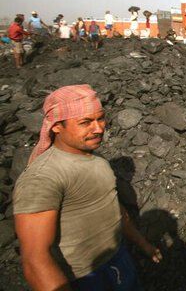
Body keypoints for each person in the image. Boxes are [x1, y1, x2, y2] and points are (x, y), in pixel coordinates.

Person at [12, 85, 162, 290]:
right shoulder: (42, 178)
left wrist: (143, 244)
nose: (99, 128)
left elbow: (114, 208)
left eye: (100, 118)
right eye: (85, 122)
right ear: (56, 126)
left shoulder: (95, 158)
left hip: (119, 257)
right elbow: (35, 260)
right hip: (85, 277)